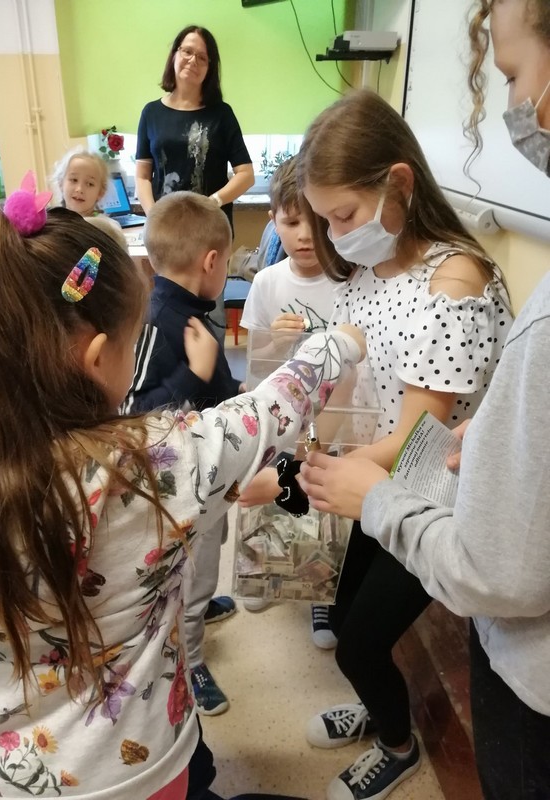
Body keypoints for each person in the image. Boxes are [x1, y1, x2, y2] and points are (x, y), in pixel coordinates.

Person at [0, 195, 365, 799]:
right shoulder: (155, 463)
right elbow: (272, 407)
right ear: (97, 359)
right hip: (134, 771)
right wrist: (340, 343)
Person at [298, 2, 550, 799]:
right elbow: (359, 364)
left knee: (360, 641)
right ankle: (380, 704)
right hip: (386, 483)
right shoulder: (378, 267)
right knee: (350, 627)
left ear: (397, 184)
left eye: (343, 216)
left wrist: (313, 475)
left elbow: (418, 438)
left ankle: (398, 740)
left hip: (432, 495)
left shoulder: (453, 284)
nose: (336, 235)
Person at [122, 191, 241, 716]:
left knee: (209, 558)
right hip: (180, 482)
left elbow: (214, 377)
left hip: (208, 464)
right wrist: (193, 373)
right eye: (228, 262)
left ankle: (200, 603)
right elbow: (133, 412)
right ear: (211, 262)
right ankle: (190, 662)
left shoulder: (192, 308)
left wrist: (230, 389)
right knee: (193, 572)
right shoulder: (155, 320)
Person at [238, 156, 339, 649]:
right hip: (280, 413)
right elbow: (254, 359)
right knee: (275, 495)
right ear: (273, 221)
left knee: (319, 502)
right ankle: (267, 574)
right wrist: (273, 341)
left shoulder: (350, 279)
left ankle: (321, 591)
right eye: (292, 221)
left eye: (316, 222)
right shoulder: (267, 282)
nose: (304, 235)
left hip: (332, 416)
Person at [135, 24, 255, 340]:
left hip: (209, 234)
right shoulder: (151, 113)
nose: (193, 60)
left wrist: (211, 203)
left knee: (210, 317)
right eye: (187, 51)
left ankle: (212, 372)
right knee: (167, 314)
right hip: (167, 234)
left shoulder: (222, 114)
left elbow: (246, 175)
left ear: (210, 68)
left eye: (202, 57)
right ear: (174, 55)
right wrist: (154, 216)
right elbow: (143, 176)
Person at [52, 146, 112, 219]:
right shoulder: (51, 221)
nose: (79, 189)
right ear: (61, 183)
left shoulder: (104, 224)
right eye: (74, 180)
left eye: (90, 184)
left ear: (100, 193)